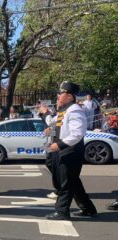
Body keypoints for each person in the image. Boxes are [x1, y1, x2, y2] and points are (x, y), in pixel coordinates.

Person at [44, 81, 97, 220]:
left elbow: (77, 133)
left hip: (70, 151)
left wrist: (60, 145)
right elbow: (53, 123)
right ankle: (88, 208)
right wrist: (48, 125)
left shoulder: (74, 110)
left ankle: (61, 212)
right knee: (72, 181)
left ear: (69, 96)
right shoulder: (64, 111)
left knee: (66, 183)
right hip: (62, 151)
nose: (58, 96)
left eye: (60, 93)